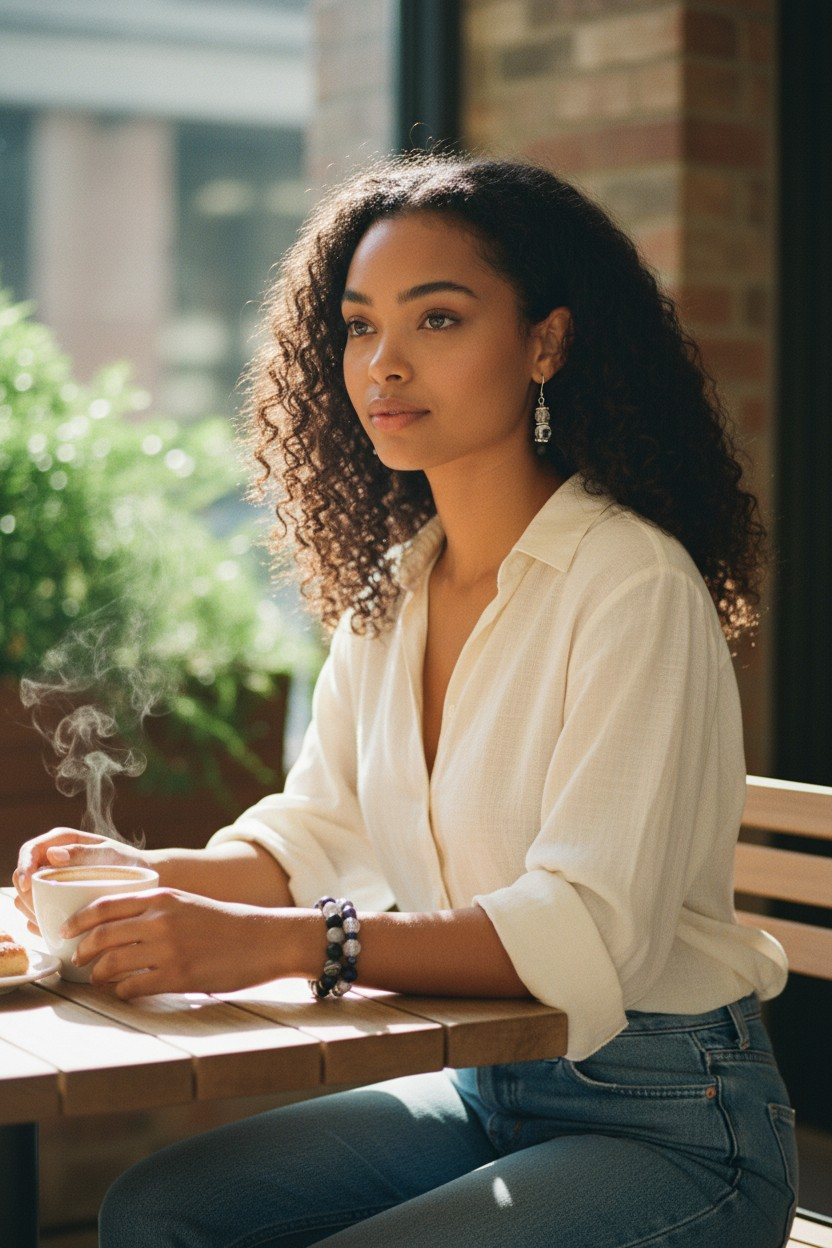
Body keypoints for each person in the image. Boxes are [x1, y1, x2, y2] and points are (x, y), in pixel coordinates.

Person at [14, 153, 797, 1247]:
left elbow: (586, 928)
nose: (383, 362)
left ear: (546, 344)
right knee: (158, 1211)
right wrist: (142, 883)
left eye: (437, 319)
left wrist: (282, 946)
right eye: (359, 325)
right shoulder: (396, 592)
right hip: (484, 1089)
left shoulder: (631, 583)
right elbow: (316, 835)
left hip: (672, 1122)